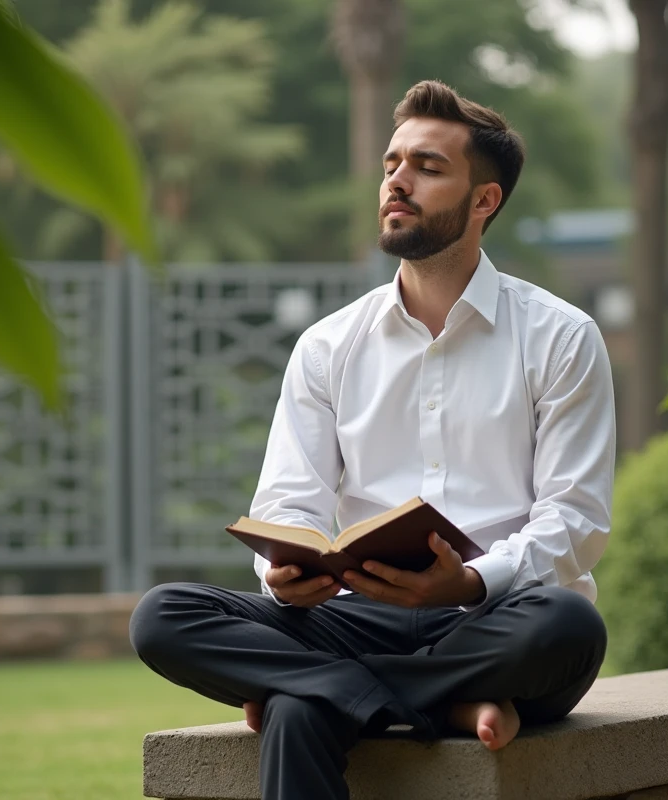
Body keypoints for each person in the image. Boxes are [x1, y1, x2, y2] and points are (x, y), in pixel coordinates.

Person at [129, 79, 615, 800]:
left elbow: (574, 520)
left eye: (427, 166)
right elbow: (289, 502)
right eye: (392, 164)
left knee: (569, 622)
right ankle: (434, 703)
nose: (397, 181)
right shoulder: (329, 345)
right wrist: (287, 573)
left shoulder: (560, 336)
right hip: (352, 617)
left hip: (496, 622)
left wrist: (469, 581)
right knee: (162, 616)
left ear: (484, 201)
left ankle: (323, 691)